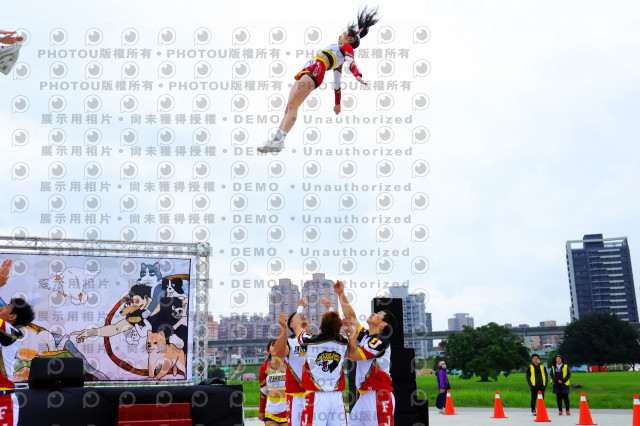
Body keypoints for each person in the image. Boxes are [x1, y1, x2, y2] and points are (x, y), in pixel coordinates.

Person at [258, 7, 379, 153]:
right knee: (289, 106)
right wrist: (337, 103)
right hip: (308, 69)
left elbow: (351, 61)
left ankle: (280, 141)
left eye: (343, 34)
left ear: (350, 39)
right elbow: (337, 82)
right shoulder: (339, 56)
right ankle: (276, 140)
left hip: (316, 70)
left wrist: (357, 74)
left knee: (293, 105)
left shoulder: (346, 48)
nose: (339, 35)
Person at [334, 280, 396, 426]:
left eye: (378, 314)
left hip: (379, 396)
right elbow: (352, 317)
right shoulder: (367, 337)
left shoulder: (381, 341)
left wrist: (352, 333)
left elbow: (353, 355)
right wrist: (341, 294)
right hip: (364, 397)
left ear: (383, 324)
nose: (373, 313)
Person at [290, 298, 349, 426]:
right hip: (337, 397)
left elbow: (296, 326)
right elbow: (340, 328)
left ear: (320, 328)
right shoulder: (344, 340)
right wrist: (330, 307)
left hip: (316, 396)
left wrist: (300, 307)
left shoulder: (310, 340)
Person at [0, 259, 35, 390]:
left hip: (3, 394)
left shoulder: (9, 330)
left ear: (12, 316)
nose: (1, 308)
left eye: (6, 307)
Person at [259, 340, 288, 425]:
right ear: (268, 351)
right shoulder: (264, 368)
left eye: (278, 345)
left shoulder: (289, 365)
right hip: (270, 411)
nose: (276, 347)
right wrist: (261, 411)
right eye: (273, 345)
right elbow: (263, 391)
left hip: (287, 409)